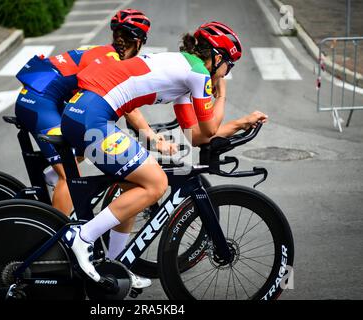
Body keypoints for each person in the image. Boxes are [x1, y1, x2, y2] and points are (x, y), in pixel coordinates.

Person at [59, 21, 268, 287]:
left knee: (134, 186)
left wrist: (241, 123)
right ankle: (83, 237)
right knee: (157, 182)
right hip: (92, 118)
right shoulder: (198, 73)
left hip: (85, 113)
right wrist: (222, 93)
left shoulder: (185, 70)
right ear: (217, 58)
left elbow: (196, 135)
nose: (226, 73)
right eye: (229, 65)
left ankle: (115, 267)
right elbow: (211, 127)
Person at [14, 9, 174, 217]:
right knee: (69, 176)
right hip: (39, 103)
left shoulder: (105, 52)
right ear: (139, 42)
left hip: (38, 98)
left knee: (83, 136)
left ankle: (53, 175)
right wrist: (150, 136)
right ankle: (56, 240)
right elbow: (129, 109)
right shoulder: (112, 61)